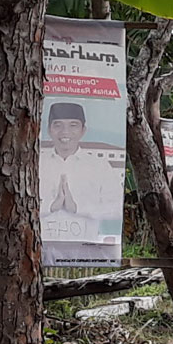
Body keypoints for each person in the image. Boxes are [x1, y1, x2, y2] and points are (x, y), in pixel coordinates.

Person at [39, 102, 123, 241]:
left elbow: (116, 208)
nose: (65, 132)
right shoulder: (36, 164)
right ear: (49, 130)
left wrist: (78, 207)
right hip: (39, 250)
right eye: (58, 125)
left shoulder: (99, 166)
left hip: (86, 252)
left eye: (73, 125)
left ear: (83, 130)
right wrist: (51, 206)